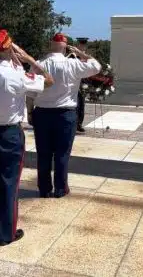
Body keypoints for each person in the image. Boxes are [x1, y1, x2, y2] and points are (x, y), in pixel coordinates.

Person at [0, 29, 54, 246]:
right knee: (9, 185)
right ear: (9, 48)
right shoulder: (18, 75)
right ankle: (6, 234)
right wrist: (29, 59)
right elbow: (49, 81)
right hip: (10, 135)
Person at [27, 33, 101, 198]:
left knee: (43, 153)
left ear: (50, 44)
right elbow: (96, 66)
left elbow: (30, 92)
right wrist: (81, 53)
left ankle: (44, 189)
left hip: (42, 113)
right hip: (65, 114)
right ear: (66, 46)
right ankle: (60, 189)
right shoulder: (72, 63)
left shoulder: (38, 64)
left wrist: (29, 111)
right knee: (62, 153)